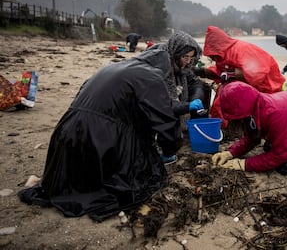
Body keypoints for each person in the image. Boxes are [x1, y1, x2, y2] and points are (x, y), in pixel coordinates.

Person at [18, 48, 180, 221]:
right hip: (97, 141)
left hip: (64, 135)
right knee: (143, 174)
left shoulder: (111, 67)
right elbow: (164, 120)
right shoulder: (151, 76)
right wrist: (169, 150)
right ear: (164, 68)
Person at [193, 26, 285, 128]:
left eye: (213, 55)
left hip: (267, 83)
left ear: (217, 47)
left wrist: (233, 75)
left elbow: (258, 72)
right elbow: (220, 71)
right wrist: (202, 71)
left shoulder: (240, 50)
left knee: (266, 112)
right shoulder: (223, 54)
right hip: (252, 81)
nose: (213, 58)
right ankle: (222, 126)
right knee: (224, 94)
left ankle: (222, 126)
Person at [148, 31, 206, 143]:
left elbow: (195, 82)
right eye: (185, 56)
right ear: (176, 52)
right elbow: (165, 104)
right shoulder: (160, 65)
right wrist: (188, 106)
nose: (188, 61)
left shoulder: (183, 66)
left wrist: (196, 98)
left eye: (191, 57)